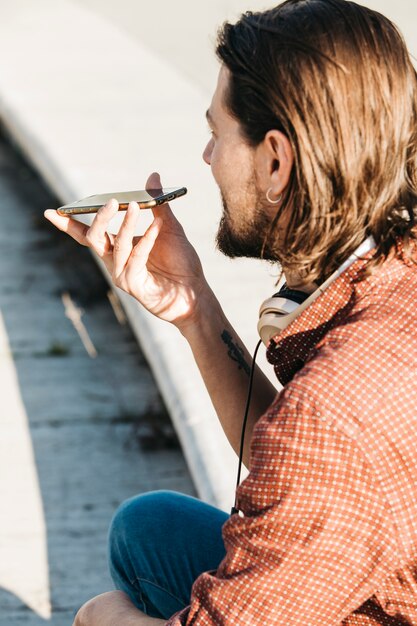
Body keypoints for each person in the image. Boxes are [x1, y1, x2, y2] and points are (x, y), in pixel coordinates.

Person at [45, 0, 417, 624]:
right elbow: (317, 471)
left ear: (276, 161)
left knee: (105, 610)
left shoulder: (334, 413)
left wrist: (95, 619)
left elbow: (321, 447)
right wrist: (193, 306)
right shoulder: (393, 266)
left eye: (217, 133)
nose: (207, 157)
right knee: (147, 529)